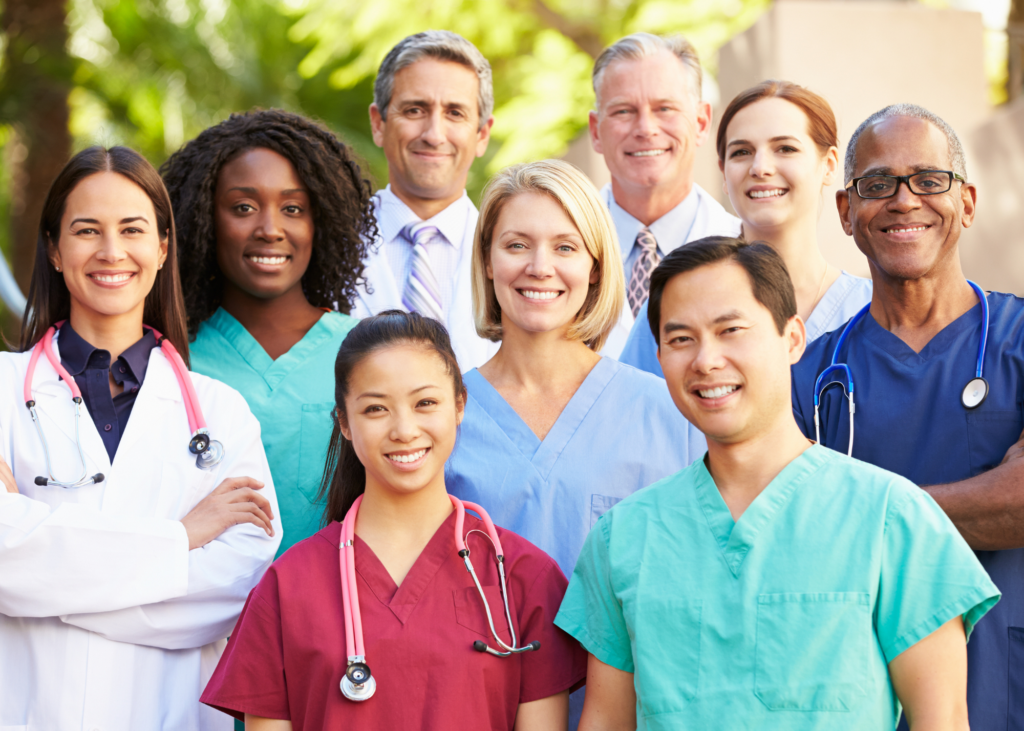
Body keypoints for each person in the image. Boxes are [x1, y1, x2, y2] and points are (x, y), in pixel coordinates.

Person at [556, 237, 999, 730]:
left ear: (792, 339)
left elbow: (942, 721)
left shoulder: (894, 520)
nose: (706, 360)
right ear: (658, 356)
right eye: (681, 339)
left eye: (731, 330)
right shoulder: (623, 540)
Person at [0, 146, 281, 730]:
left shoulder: (222, 414)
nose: (111, 251)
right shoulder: (2, 392)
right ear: (54, 249)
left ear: (160, 249)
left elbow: (232, 590)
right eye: (86, 230)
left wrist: (45, 581)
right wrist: (182, 537)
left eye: (132, 229)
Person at [201, 311, 586, 730]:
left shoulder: (524, 578)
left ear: (460, 405)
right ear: (344, 423)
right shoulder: (289, 586)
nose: (404, 429)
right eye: (375, 409)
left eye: (425, 403)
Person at [791, 104, 1024, 730]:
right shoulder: (808, 377)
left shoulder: (1020, 340)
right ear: (846, 211)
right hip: (860, 689)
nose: (904, 199)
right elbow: (789, 538)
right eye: (877, 184)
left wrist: (858, 517)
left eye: (928, 179)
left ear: (968, 201)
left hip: (1006, 673)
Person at [446, 159, 704, 725]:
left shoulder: (670, 414)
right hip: (478, 708)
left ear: (594, 266)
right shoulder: (442, 419)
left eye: (565, 247)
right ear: (487, 261)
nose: (540, 267)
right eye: (517, 245)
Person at [162, 109, 375, 556]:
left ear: (321, 221)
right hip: (200, 620)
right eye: (243, 207)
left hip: (335, 617)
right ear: (202, 217)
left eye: (293, 208)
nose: (270, 229)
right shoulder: (170, 358)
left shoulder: (369, 352)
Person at [621, 80, 872, 376]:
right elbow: (627, 412)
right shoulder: (674, 301)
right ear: (724, 174)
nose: (760, 167)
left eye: (785, 148)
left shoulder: (873, 310)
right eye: (741, 152)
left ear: (829, 165)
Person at [587, 32, 741, 356]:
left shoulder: (745, 247)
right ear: (595, 131)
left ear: (701, 122)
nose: (646, 128)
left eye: (665, 108)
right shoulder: (559, 248)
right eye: (623, 111)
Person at [353, 30, 498, 369]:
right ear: (378, 124)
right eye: (415, 110)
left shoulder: (514, 256)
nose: (433, 135)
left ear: (482, 134)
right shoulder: (328, 247)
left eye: (455, 113)